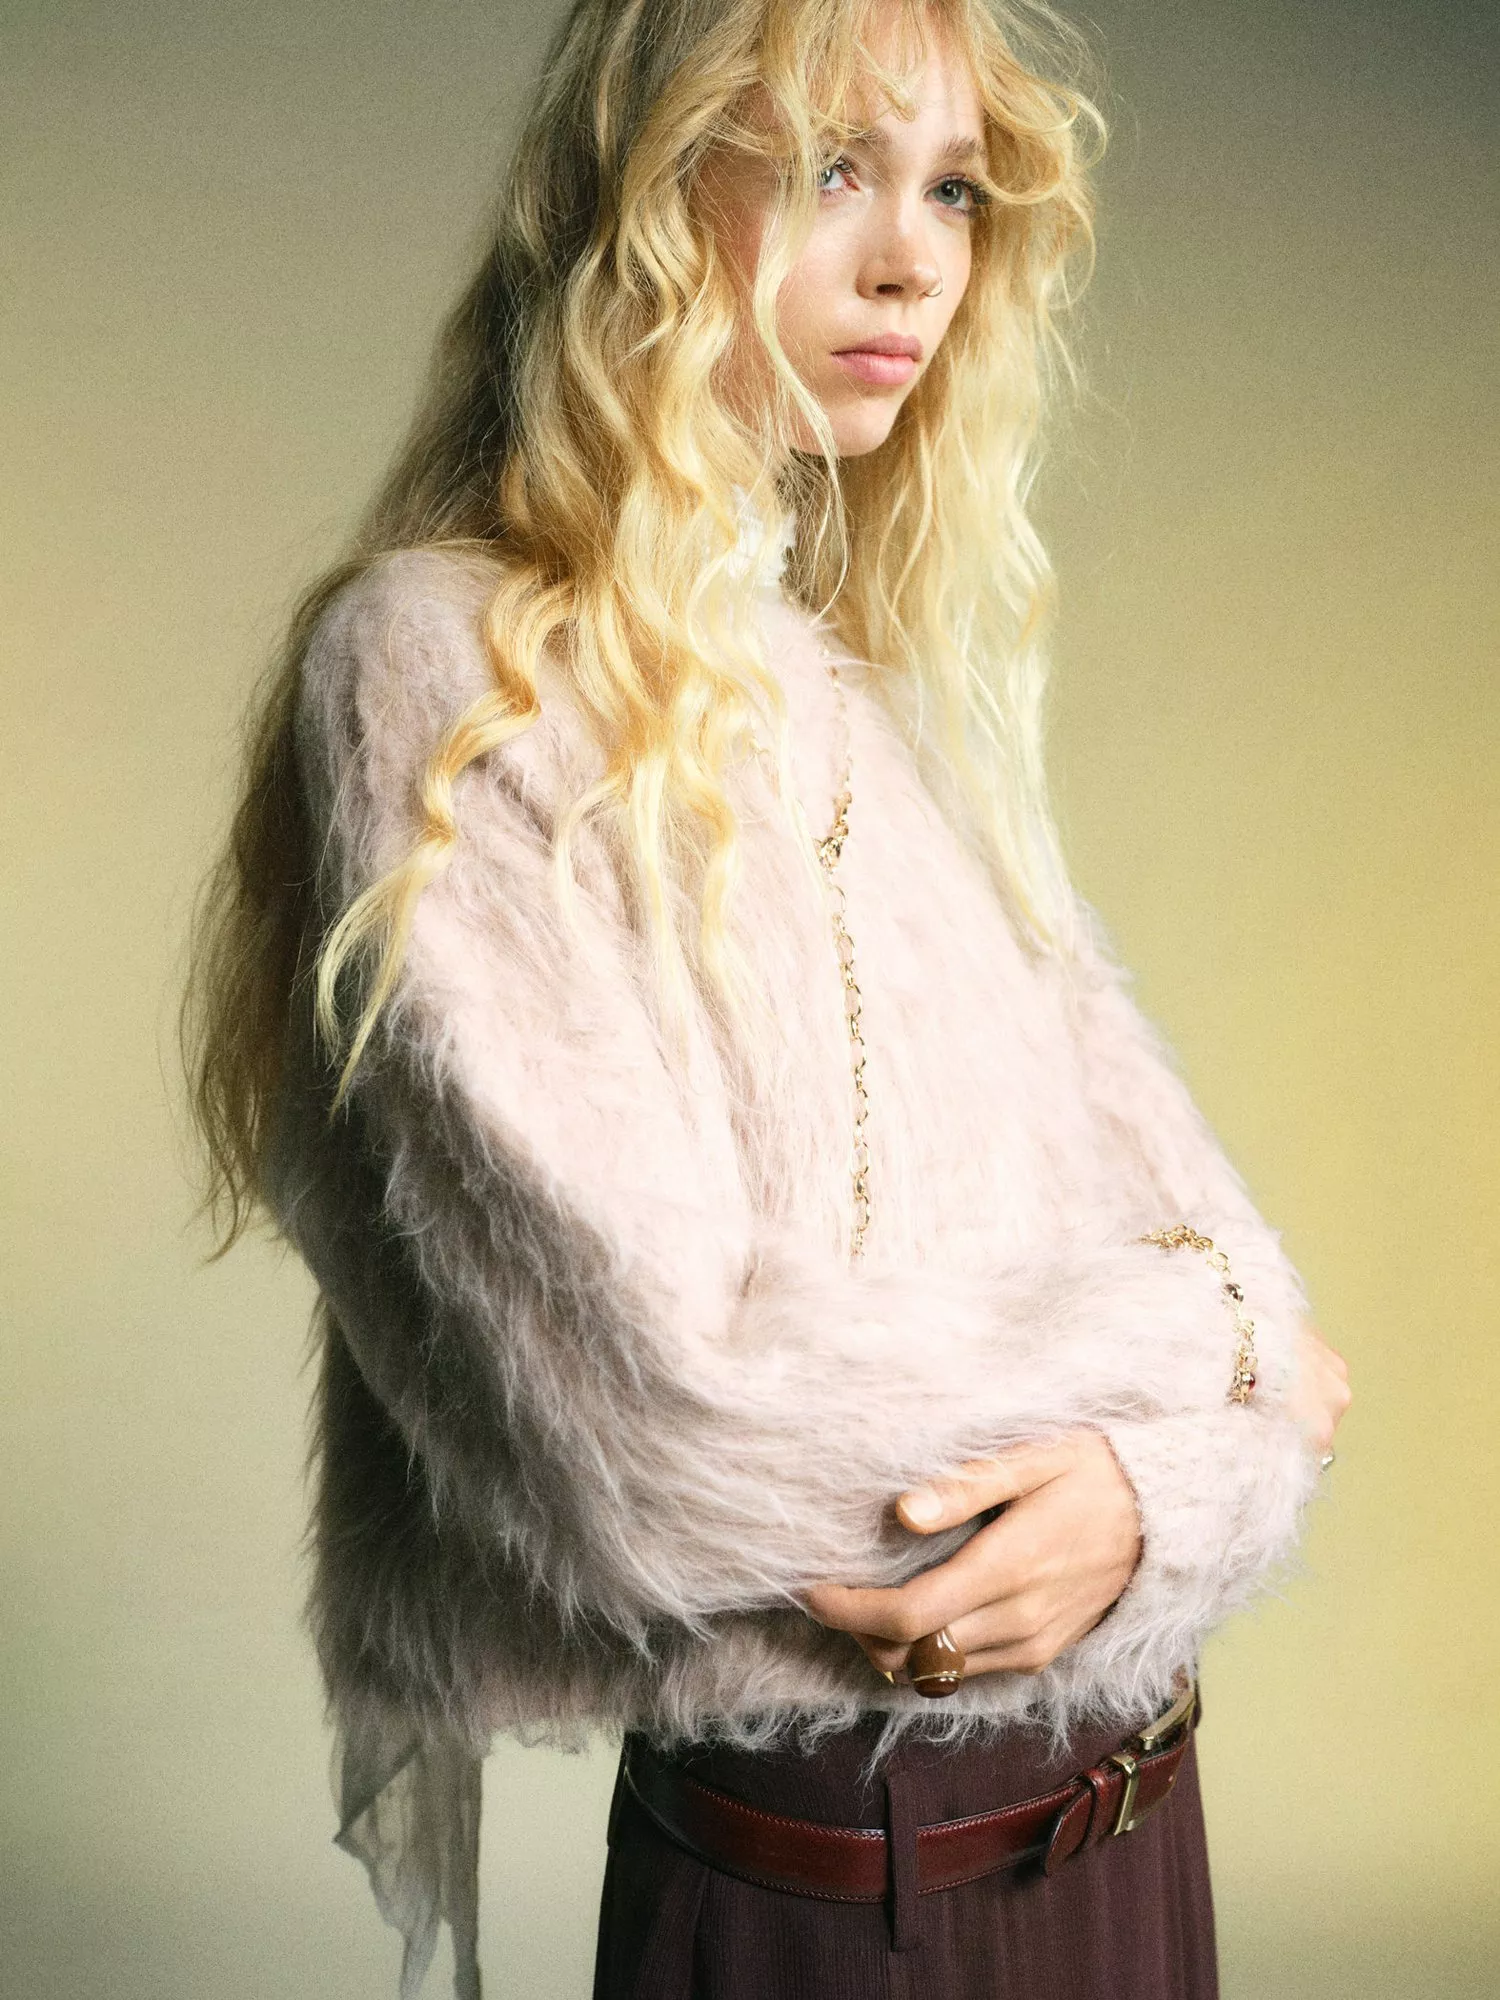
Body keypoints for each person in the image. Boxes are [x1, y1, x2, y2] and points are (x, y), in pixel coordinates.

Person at [182, 1, 1352, 1995]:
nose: (912, 262)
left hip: (1142, 1841)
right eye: (830, 169)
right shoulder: (439, 672)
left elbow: (1266, 1331)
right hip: (842, 1890)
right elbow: (665, 1429)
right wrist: (1211, 1356)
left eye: (954, 190)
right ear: (644, 197)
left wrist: (1158, 1488)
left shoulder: (865, 703)